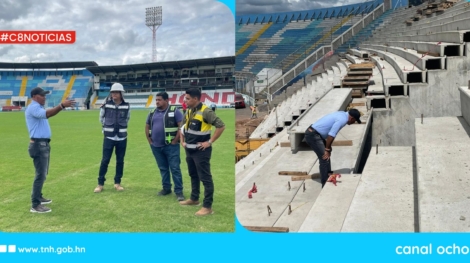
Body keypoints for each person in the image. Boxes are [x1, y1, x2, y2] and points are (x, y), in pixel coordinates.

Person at [26, 87, 75, 213]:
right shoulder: (33, 107)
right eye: (42, 95)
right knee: (40, 175)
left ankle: (39, 197)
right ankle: (35, 205)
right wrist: (62, 106)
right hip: (38, 145)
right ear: (35, 96)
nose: (45, 97)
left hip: (43, 144)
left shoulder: (38, 107)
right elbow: (48, 114)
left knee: (43, 173)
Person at [179, 88, 225, 216]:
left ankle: (207, 206)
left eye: (187, 99)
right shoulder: (188, 111)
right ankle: (194, 199)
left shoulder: (206, 111)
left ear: (195, 99)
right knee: (193, 175)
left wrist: (209, 142)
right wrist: (182, 141)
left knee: (205, 178)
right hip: (189, 150)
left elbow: (221, 126)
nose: (185, 101)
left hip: (201, 151)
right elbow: (182, 128)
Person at [304, 108, 362, 187]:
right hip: (313, 136)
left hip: (316, 134)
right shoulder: (343, 120)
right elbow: (331, 135)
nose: (353, 123)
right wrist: (327, 149)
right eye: (354, 121)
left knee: (327, 155)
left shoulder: (343, 114)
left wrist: (328, 149)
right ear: (351, 118)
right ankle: (325, 184)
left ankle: (328, 175)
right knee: (324, 157)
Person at [145, 92, 185, 201]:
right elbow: (147, 125)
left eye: (159, 100)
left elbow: (181, 127)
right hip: (156, 146)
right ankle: (166, 188)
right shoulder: (152, 112)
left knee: (175, 168)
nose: (157, 102)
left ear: (167, 100)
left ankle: (179, 191)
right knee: (163, 168)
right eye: (156, 100)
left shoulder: (175, 112)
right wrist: (149, 140)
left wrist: (175, 141)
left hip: (171, 146)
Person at [94, 83, 130, 193]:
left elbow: (127, 118)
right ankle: (100, 184)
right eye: (113, 92)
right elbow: (101, 118)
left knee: (120, 161)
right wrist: (107, 127)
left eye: (116, 92)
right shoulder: (106, 104)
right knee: (105, 160)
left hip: (122, 138)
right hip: (109, 137)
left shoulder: (127, 105)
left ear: (121, 93)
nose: (114, 94)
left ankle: (117, 183)